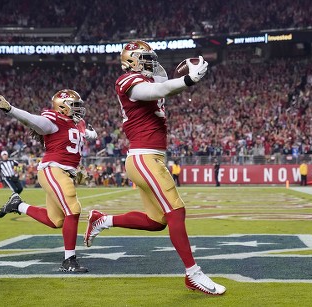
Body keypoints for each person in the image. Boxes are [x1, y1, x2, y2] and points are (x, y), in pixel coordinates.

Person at [84, 40, 225, 295]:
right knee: (176, 211)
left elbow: (162, 84)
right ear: (132, 62)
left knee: (156, 221)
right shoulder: (128, 82)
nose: (152, 62)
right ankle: (193, 273)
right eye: (146, 58)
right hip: (143, 157)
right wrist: (188, 80)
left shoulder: (149, 80)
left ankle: (102, 220)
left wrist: (184, 77)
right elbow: (158, 91)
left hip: (150, 158)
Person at [0, 89, 98, 273]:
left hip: (63, 172)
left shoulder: (77, 122)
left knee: (56, 221)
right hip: (52, 169)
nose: (79, 109)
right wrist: (11, 109)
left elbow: (85, 134)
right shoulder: (52, 120)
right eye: (74, 105)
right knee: (73, 209)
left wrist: (90, 135)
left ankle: (18, 205)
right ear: (62, 106)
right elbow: (32, 119)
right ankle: (69, 261)